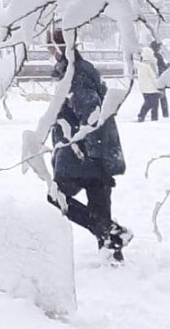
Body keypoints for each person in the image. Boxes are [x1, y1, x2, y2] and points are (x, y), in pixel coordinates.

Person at [45, 30, 131, 263]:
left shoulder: (75, 75)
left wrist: (87, 152)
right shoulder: (76, 70)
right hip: (94, 151)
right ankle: (114, 253)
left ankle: (111, 235)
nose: (49, 52)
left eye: (50, 47)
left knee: (57, 197)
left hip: (83, 152)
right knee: (100, 206)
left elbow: (91, 115)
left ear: (59, 47)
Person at [137, 47, 162, 122]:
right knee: (151, 102)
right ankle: (143, 115)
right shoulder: (148, 66)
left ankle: (153, 117)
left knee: (151, 102)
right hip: (151, 88)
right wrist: (158, 85)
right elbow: (153, 77)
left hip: (144, 88)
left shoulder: (141, 66)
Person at [149, 40, 170, 118]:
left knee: (154, 97)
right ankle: (165, 114)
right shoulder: (158, 56)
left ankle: (154, 115)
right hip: (159, 78)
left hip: (151, 79)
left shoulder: (148, 56)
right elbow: (162, 67)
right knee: (162, 97)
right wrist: (168, 66)